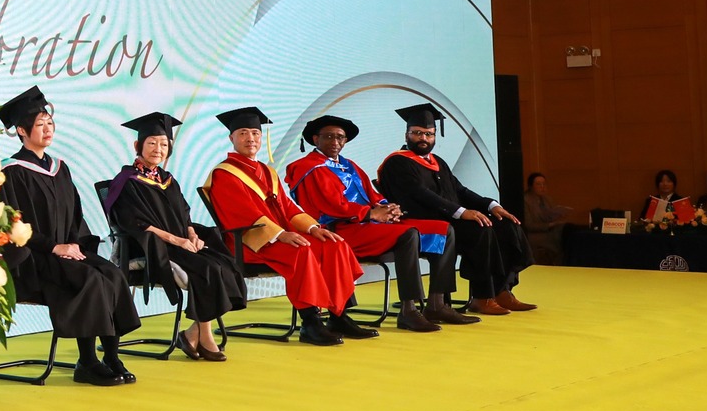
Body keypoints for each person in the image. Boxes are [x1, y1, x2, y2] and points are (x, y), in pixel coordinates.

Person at [0, 86, 143, 387]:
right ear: (22, 131)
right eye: (40, 124)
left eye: (50, 123)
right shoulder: (12, 172)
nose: (47, 129)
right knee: (88, 279)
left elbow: (75, 214)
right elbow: (15, 226)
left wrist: (75, 243)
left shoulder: (59, 168)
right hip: (34, 258)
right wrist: (55, 247)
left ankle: (111, 356)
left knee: (112, 274)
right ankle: (86, 362)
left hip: (66, 250)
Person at [284, 115, 465, 333]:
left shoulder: (348, 165)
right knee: (408, 234)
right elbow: (330, 206)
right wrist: (370, 214)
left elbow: (372, 195)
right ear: (316, 139)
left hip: (369, 225)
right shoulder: (308, 167)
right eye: (329, 137)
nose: (335, 142)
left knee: (443, 229)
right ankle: (409, 310)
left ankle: (437, 304)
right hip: (339, 229)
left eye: (340, 137)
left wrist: (388, 208)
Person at [204, 107, 368, 346]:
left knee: (334, 245)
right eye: (243, 133)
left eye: (255, 133)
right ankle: (310, 322)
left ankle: (338, 315)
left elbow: (288, 208)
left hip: (279, 237)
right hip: (250, 241)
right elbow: (242, 215)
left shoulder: (266, 171)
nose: (250, 138)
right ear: (232, 138)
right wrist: (280, 234)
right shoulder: (225, 174)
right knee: (302, 251)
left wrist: (313, 228)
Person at [103, 111, 245, 361]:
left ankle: (193, 333)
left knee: (225, 264)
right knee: (207, 269)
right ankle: (203, 336)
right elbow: (135, 224)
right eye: (152, 143)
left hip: (180, 243)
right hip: (150, 246)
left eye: (164, 144)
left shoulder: (168, 179)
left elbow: (185, 215)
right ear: (138, 146)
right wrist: (177, 240)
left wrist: (192, 234)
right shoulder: (127, 181)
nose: (158, 149)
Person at [376, 103, 533, 316]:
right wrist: (461, 212)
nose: (423, 138)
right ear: (407, 135)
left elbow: (459, 190)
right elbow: (420, 194)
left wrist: (491, 205)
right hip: (424, 222)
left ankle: (502, 290)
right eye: (417, 133)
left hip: (449, 219)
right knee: (480, 229)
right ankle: (482, 297)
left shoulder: (437, 162)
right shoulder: (397, 163)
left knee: (506, 225)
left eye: (429, 134)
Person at [522, 172, 577, 265]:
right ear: (531, 186)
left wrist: (559, 216)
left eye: (544, 184)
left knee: (568, 229)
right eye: (538, 184)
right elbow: (528, 225)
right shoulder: (525, 201)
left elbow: (552, 215)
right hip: (535, 234)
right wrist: (549, 225)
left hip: (550, 230)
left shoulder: (547, 199)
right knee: (560, 239)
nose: (542, 187)